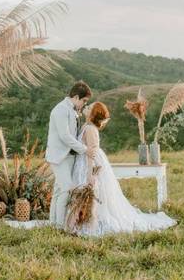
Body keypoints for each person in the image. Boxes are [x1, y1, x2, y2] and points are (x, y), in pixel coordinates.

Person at [69, 101, 177, 236]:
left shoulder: (90, 129)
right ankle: (80, 221)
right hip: (82, 162)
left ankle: (91, 223)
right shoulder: (86, 125)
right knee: (82, 194)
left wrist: (90, 173)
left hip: (89, 163)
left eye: (89, 107)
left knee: (92, 193)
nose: (87, 107)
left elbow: (92, 152)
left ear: (92, 114)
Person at [45, 81, 95, 228]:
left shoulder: (72, 110)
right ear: (76, 97)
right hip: (58, 156)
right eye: (84, 101)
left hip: (68, 157)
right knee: (66, 189)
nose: (84, 105)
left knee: (59, 190)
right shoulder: (60, 109)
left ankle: (53, 224)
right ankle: (60, 227)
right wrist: (85, 149)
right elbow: (65, 136)